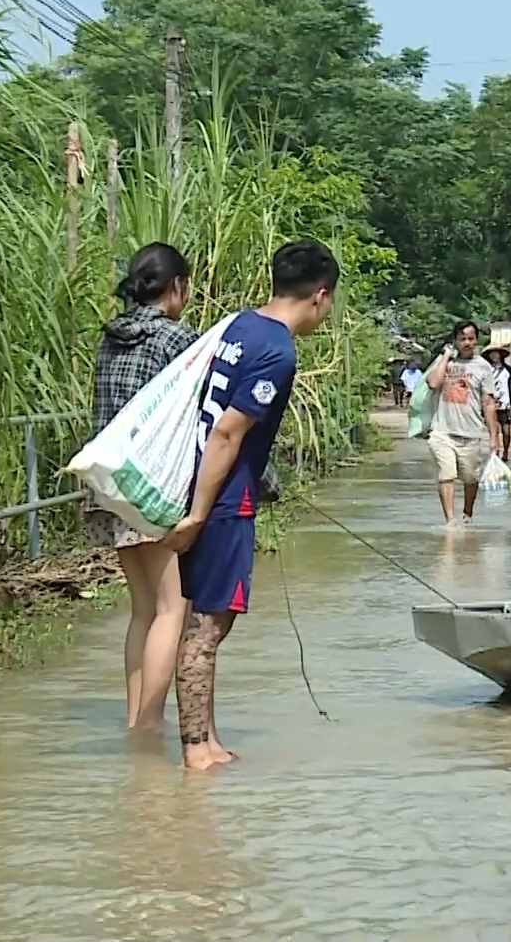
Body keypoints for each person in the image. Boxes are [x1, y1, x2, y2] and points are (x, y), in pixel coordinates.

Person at [162, 239, 338, 771]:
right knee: (208, 627)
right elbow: (226, 435)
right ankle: (195, 753)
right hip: (220, 500)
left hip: (208, 490)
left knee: (206, 620)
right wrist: (197, 513)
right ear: (320, 296)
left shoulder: (239, 325)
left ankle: (207, 739)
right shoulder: (278, 351)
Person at [85, 242, 198, 730]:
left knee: (142, 610)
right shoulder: (178, 341)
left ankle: (137, 722)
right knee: (174, 608)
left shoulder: (109, 338)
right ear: (176, 287)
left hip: (110, 486)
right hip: (154, 490)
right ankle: (150, 728)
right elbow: (204, 418)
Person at [424, 321, 501, 525]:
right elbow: (433, 383)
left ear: (476, 340)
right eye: (462, 339)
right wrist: (446, 356)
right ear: (455, 341)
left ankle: (467, 515)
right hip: (442, 431)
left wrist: (494, 437)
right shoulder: (444, 363)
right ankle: (450, 520)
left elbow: (488, 403)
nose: (466, 342)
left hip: (471, 433)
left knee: (470, 479)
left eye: (470, 338)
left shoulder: (483, 367)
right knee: (446, 474)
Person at [482, 342, 511, 452]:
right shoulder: (486, 370)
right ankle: (496, 451)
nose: (494, 356)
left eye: (496, 354)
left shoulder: (508, 370)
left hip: (506, 404)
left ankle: (506, 451)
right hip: (491, 404)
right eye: (492, 354)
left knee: (506, 431)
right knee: (494, 430)